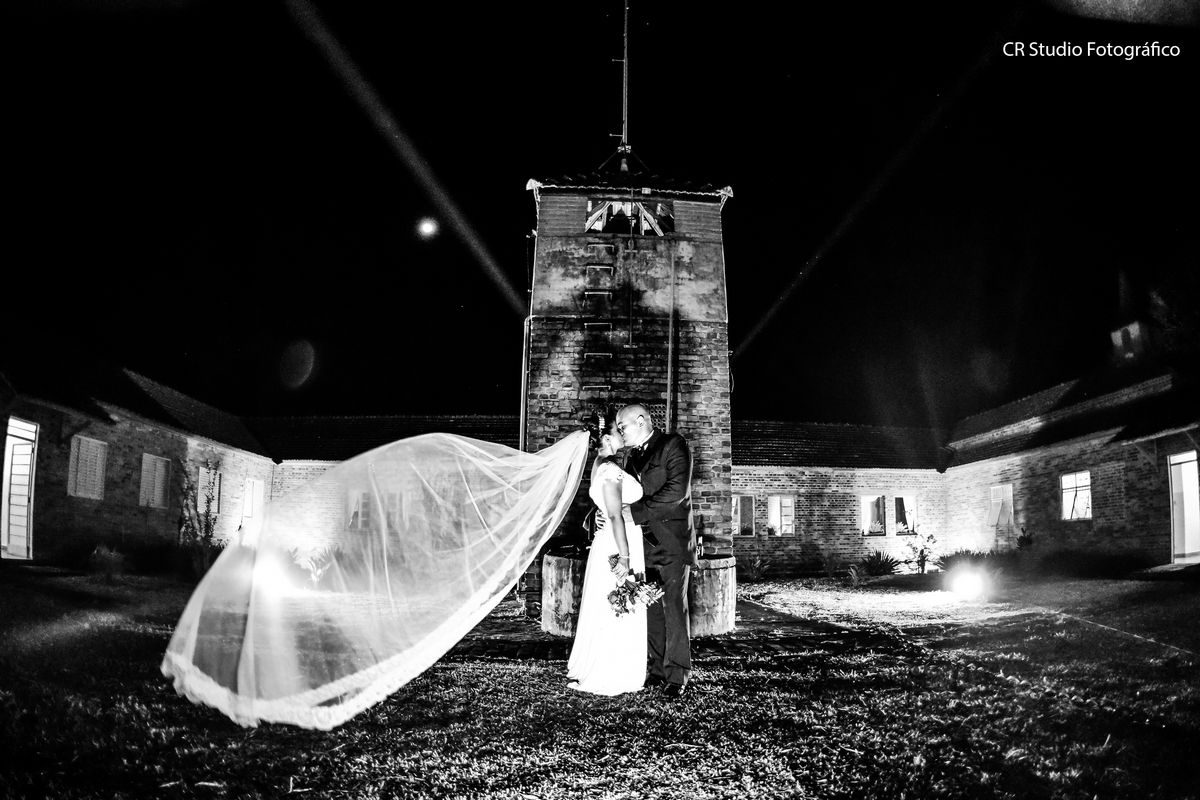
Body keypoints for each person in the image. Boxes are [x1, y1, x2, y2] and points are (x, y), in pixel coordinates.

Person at [616, 403, 696, 698]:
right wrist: (604, 515)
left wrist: (634, 513)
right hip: (643, 545)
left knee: (673, 607)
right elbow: (620, 495)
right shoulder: (630, 456)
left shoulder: (674, 445)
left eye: (623, 427)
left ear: (641, 421)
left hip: (672, 543)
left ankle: (677, 676)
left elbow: (677, 491)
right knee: (650, 608)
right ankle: (657, 672)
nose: (620, 433)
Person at [566, 415, 648, 695]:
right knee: (617, 603)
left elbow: (605, 507)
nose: (623, 433)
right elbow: (614, 516)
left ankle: (606, 665)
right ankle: (612, 671)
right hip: (618, 543)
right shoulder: (610, 468)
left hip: (611, 540)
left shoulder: (599, 463)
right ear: (607, 437)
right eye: (619, 429)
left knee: (611, 604)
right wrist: (624, 557)